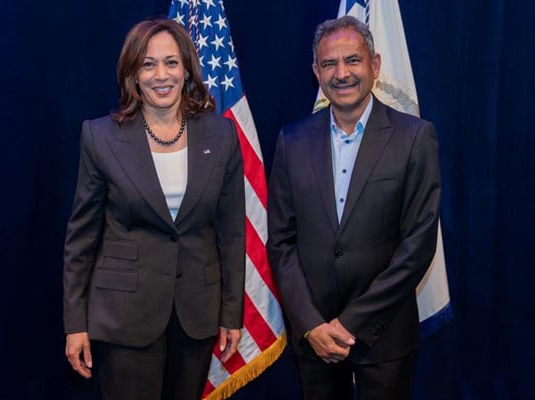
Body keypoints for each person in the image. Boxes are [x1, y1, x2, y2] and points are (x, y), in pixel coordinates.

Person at [62, 17, 245, 400]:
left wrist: (231, 313)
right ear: (133, 73)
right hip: (124, 314)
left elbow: (230, 233)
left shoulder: (222, 135)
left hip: (196, 313)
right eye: (148, 64)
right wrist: (74, 323)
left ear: (186, 69)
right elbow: (81, 239)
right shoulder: (100, 137)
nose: (161, 75)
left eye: (171, 63)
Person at [267, 16, 441, 400]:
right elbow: (280, 242)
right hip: (315, 339)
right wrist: (312, 325)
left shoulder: (415, 137)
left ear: (375, 65)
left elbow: (418, 245)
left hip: (385, 335)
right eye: (329, 64)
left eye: (353, 60)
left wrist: (351, 324)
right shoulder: (291, 141)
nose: (342, 73)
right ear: (316, 72)